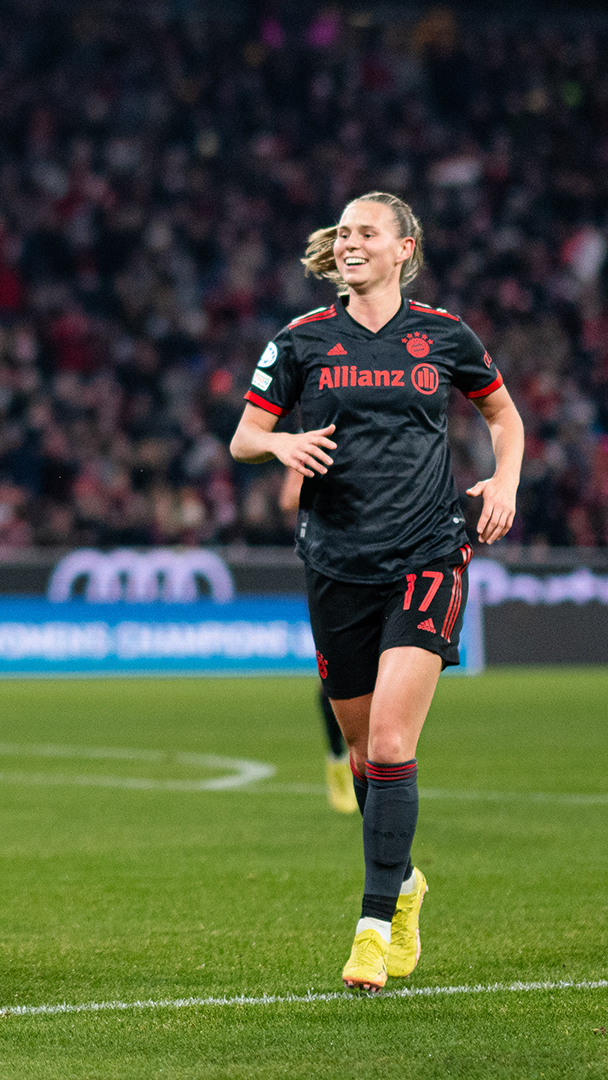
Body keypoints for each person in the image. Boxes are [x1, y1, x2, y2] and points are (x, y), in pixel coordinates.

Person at [230, 191, 521, 992]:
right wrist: (282, 439)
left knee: (392, 745)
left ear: (403, 249)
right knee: (362, 754)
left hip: (429, 553)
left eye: (367, 233)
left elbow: (504, 416)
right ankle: (407, 882)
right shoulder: (300, 342)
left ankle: (372, 925)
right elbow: (245, 435)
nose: (351, 243)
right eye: (345, 233)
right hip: (335, 565)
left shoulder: (443, 335)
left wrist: (507, 481)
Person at [281, 468, 358, 814]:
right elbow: (287, 499)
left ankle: (372, 769)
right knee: (334, 676)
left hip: (390, 562)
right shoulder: (319, 437)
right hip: (336, 567)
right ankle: (338, 757)